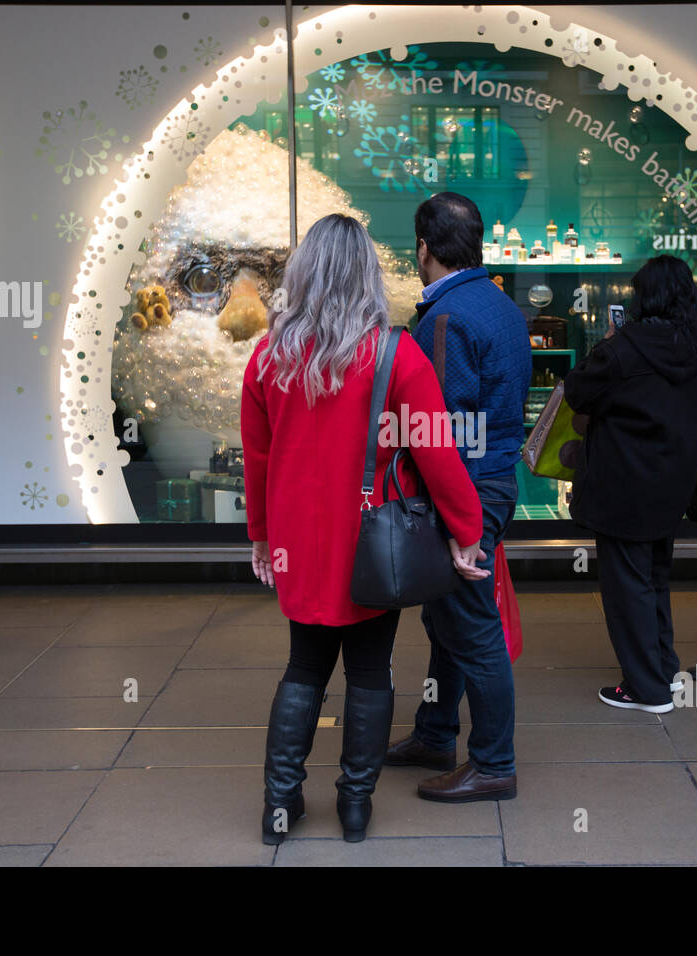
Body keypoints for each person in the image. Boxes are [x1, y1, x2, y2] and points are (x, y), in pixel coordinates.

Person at [241, 213, 487, 845]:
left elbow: (259, 457)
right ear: (369, 276)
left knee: (303, 666)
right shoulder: (395, 353)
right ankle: (355, 805)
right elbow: (435, 448)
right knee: (371, 670)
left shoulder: (269, 357)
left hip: (299, 537)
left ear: (304, 273)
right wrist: (466, 529)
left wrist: (262, 538)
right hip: (369, 539)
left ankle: (279, 803)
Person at [383, 192, 532, 803]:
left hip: (465, 486)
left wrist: (452, 519)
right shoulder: (498, 303)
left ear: (423, 249)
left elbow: (436, 427)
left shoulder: (444, 317)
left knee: (471, 626)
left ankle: (494, 763)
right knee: (448, 621)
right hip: (493, 479)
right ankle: (436, 732)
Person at [564, 255, 697, 714]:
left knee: (626, 586)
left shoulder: (624, 347)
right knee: (654, 578)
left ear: (643, 295)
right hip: (674, 479)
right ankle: (662, 672)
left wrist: (608, 343)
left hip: (623, 482)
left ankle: (645, 689)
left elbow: (577, 391)